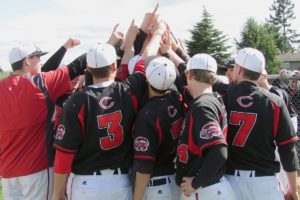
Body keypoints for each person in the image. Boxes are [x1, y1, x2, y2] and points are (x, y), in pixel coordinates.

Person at [0, 42, 86, 200]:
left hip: (7, 173)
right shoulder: (39, 83)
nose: (40, 60)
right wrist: (111, 44)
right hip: (37, 169)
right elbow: (78, 65)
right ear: (27, 61)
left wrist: (65, 48)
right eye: (38, 56)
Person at [224, 48, 299, 200]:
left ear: (238, 69)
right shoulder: (274, 101)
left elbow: (204, 79)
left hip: (231, 180)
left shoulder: (225, 96)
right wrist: (292, 186)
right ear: (260, 73)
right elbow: (287, 147)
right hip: (264, 182)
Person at [176, 53, 237, 200]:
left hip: (206, 190)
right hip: (211, 188)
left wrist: (196, 183)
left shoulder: (202, 106)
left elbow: (219, 151)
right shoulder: (214, 98)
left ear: (189, 75)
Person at [133, 57, 183, 200]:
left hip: (156, 186)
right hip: (174, 181)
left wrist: (136, 198)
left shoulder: (147, 115)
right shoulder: (177, 97)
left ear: (147, 78)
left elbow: (144, 166)